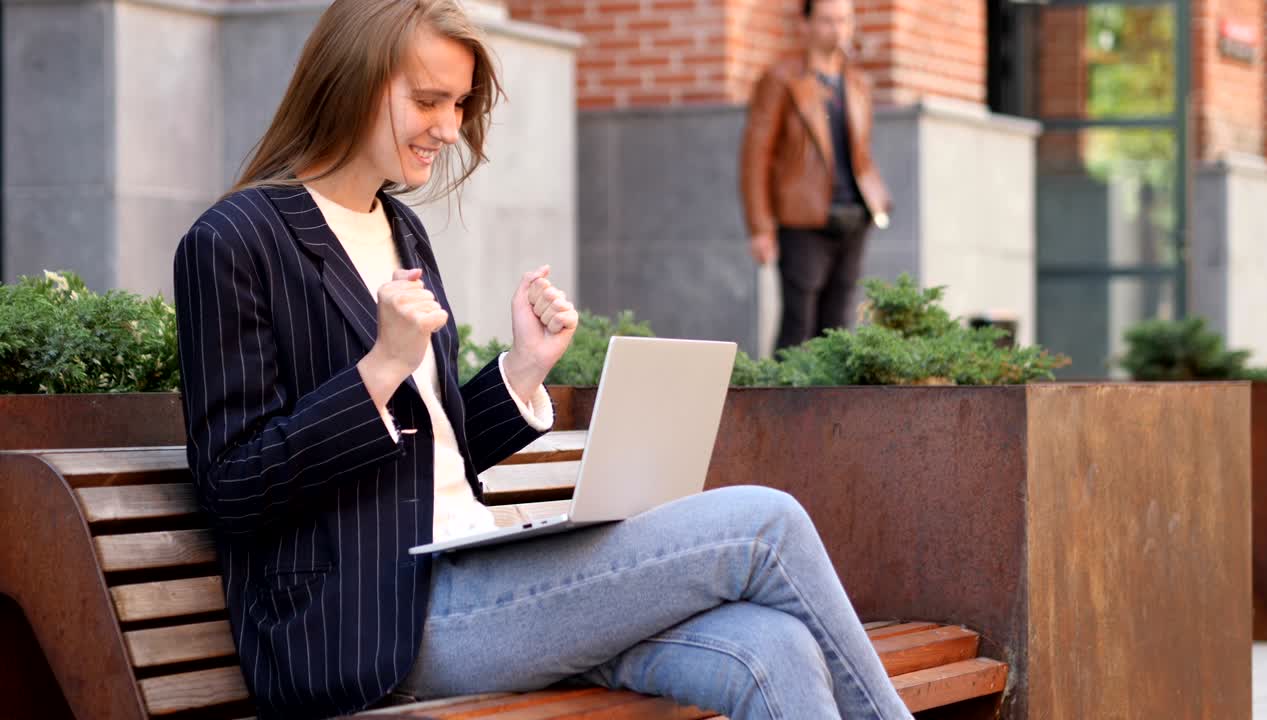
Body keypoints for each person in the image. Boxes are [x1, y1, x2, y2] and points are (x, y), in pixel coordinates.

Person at [172, 1, 912, 718]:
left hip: (481, 573)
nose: (449, 129)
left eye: (459, 104)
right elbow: (234, 485)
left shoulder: (400, 228)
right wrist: (379, 369)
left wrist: (522, 370)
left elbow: (430, 456)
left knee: (771, 647)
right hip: (377, 619)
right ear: (351, 84)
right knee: (766, 523)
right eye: (428, 101)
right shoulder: (235, 241)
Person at [740, 0, 894, 353]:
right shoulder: (780, 79)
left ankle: (829, 406)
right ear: (805, 24)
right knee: (798, 326)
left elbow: (861, 151)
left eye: (844, 20)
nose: (837, 29)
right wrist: (760, 227)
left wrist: (876, 200)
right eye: (826, 20)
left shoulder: (857, 82)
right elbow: (755, 155)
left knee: (839, 328)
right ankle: (782, 406)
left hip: (854, 217)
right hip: (802, 218)